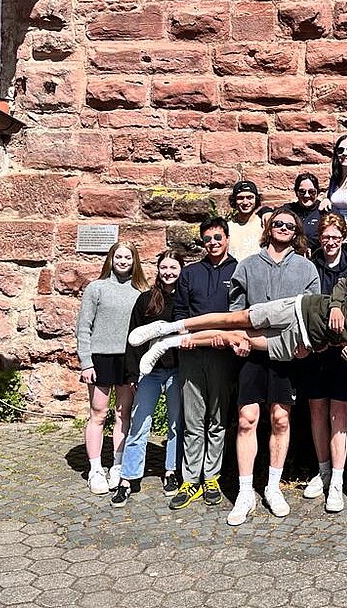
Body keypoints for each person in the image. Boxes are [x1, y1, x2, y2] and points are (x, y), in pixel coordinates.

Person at [130, 280, 347, 383]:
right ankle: (167, 327)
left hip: (302, 342)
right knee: (235, 320)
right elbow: (343, 283)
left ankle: (167, 344)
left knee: (237, 339)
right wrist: (335, 306)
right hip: (299, 309)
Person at [225, 208, 321, 525]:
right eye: (277, 223)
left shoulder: (306, 269)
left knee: (280, 419)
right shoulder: (248, 265)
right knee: (247, 419)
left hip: (286, 354)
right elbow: (236, 309)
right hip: (252, 351)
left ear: (296, 233)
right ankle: (245, 491)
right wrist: (238, 338)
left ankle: (272, 486)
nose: (282, 228)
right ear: (269, 228)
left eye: (289, 226)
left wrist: (306, 345)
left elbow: (312, 313)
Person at [167, 216, 245, 511]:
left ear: (227, 239)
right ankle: (191, 479)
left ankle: (211, 476)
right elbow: (180, 311)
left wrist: (228, 338)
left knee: (217, 418)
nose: (213, 243)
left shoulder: (238, 270)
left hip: (222, 354)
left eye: (218, 237)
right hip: (192, 353)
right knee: (192, 419)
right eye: (208, 239)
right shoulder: (190, 273)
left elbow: (241, 311)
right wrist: (183, 335)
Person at [300, 213, 347, 513]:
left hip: (341, 350)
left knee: (339, 413)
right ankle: (323, 470)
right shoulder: (310, 264)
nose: (330, 242)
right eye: (325, 237)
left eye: (335, 237)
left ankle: (337, 480)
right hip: (315, 348)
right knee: (317, 410)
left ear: (344, 238)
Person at [111, 250, 185, 507]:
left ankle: (171, 470)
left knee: (176, 423)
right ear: (158, 269)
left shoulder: (185, 300)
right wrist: (133, 374)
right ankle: (128, 478)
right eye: (164, 267)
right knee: (139, 422)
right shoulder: (146, 299)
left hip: (177, 370)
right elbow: (133, 337)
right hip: (149, 372)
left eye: (173, 268)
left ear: (181, 270)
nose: (168, 272)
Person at [75, 241, 149, 495]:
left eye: (128, 257)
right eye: (119, 257)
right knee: (98, 413)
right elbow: (84, 327)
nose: (123, 261)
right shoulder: (96, 288)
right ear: (111, 259)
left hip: (128, 359)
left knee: (123, 414)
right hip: (101, 359)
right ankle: (95, 469)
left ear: (134, 261)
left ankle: (118, 465)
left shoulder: (141, 291)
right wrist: (86, 362)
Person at [227, 180, 272, 262]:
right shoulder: (228, 226)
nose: (245, 202)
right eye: (240, 198)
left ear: (256, 199)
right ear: (234, 200)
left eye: (249, 197)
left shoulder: (264, 224)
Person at [288, 172, 322, 249]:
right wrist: (266, 212)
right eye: (302, 192)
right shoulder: (290, 209)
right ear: (296, 193)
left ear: (317, 192)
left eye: (311, 192)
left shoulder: (324, 210)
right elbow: (271, 212)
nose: (307, 195)